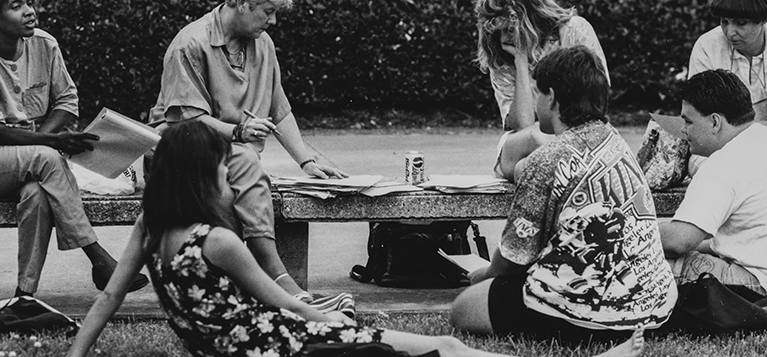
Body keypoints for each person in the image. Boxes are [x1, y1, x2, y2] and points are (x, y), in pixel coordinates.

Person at [66, 119, 646, 357]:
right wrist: (345, 323)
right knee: (442, 349)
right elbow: (288, 308)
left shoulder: (152, 229)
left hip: (247, 345)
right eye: (222, 170)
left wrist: (75, 354)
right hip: (281, 346)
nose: (228, 179)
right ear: (199, 176)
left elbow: (108, 300)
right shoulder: (217, 242)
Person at [148, 0, 347, 306]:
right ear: (241, 3)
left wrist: (307, 162)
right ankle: (277, 283)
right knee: (236, 178)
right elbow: (185, 122)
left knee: (241, 173)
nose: (272, 21)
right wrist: (239, 132)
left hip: (232, 159)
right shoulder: (190, 43)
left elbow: (279, 110)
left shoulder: (263, 43)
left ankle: (255, 287)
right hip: (181, 154)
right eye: (267, 11)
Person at [450, 46, 676, 346]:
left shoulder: (546, 159)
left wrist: (484, 275)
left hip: (587, 312)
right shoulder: (615, 140)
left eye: (537, 93)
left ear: (552, 97)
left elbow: (513, 259)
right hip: (653, 305)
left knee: (463, 308)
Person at [0, 0, 148, 297]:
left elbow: (67, 100)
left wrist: (47, 140)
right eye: (16, 5)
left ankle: (25, 296)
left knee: (37, 193)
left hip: (29, 159)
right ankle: (100, 259)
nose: (30, 11)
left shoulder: (44, 44)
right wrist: (52, 143)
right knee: (46, 158)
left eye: (30, 2)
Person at [474, 0, 610, 182]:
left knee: (525, 169)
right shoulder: (501, 57)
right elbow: (523, 125)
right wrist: (520, 58)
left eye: (510, 29)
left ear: (530, 19)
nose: (503, 38)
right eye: (498, 31)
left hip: (577, 136)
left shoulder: (573, 31)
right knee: (533, 139)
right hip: (528, 143)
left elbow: (597, 102)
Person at [659, 69, 767, 297]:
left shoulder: (724, 162)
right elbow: (728, 240)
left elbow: (679, 240)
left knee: (644, 264)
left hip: (754, 283)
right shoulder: (759, 139)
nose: (682, 129)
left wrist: (629, 232)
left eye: (688, 120)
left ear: (715, 122)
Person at [688, 0, 767, 122]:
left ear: (763, 19)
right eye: (724, 21)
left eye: (741, 23)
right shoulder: (706, 47)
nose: (730, 32)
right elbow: (701, 115)